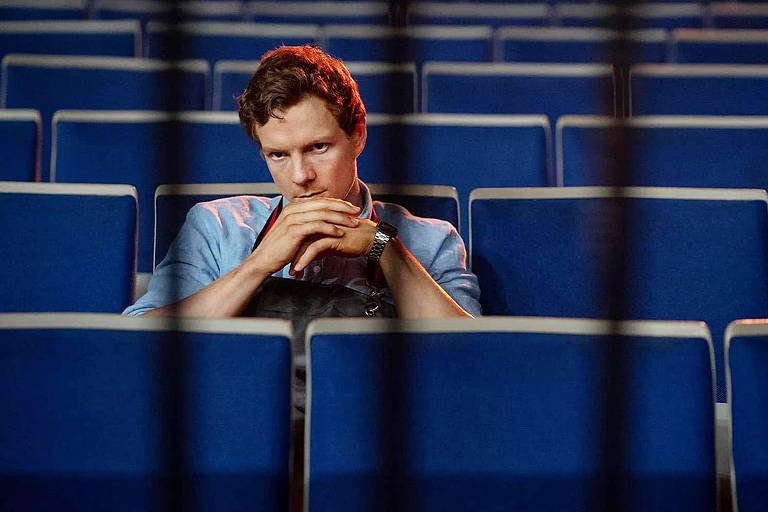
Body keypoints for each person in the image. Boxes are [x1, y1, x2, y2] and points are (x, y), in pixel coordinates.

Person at [123, 45, 481, 321]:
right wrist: (257, 265)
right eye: (278, 155)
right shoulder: (215, 227)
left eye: (318, 147)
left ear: (357, 136)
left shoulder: (432, 240)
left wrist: (383, 246)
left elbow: (471, 357)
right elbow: (137, 339)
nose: (300, 176)